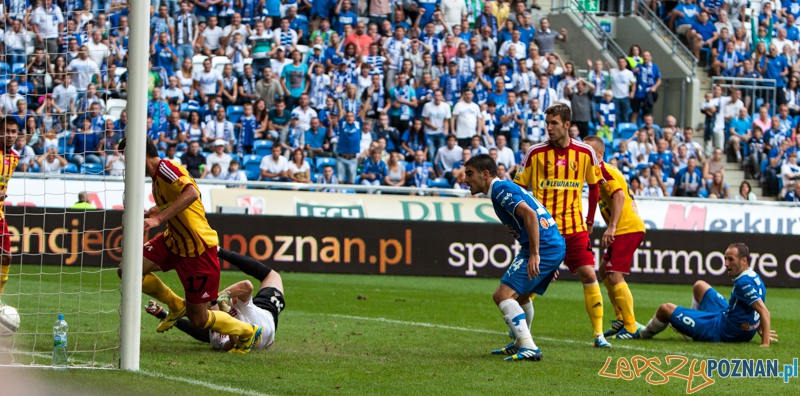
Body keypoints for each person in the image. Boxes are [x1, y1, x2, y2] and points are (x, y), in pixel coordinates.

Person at [117, 137, 262, 354]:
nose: (127, 162)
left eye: (128, 156)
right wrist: (160, 208)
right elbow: (183, 198)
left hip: (197, 250)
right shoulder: (157, 177)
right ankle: (176, 305)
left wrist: (158, 219)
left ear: (140, 155)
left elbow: (192, 193)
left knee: (198, 319)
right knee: (127, 269)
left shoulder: (165, 168)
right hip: (173, 242)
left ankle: (247, 331)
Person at [514, 103, 610, 348]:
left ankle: (598, 334)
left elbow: (595, 186)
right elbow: (518, 190)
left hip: (574, 228)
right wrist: (521, 224)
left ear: (567, 125)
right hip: (544, 230)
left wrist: (590, 221)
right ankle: (521, 335)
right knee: (527, 284)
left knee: (589, 273)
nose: (549, 128)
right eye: (547, 123)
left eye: (554, 123)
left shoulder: (585, 152)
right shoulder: (534, 152)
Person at [463, 154, 565, 361]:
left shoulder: (500, 189)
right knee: (522, 296)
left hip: (544, 246)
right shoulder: (504, 189)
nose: (465, 179)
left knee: (502, 295)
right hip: (550, 244)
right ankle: (520, 342)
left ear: (485, 174)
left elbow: (530, 214)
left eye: (470, 174)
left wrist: (536, 254)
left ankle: (529, 346)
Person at [144, 248, 285, 352]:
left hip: (252, 310)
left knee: (201, 321)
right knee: (272, 276)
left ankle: (217, 250)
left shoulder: (213, 328)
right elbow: (235, 345)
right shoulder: (219, 332)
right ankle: (218, 250)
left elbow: (199, 331)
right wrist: (222, 309)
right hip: (267, 319)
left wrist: (163, 314)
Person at [641, 243, 775, 346]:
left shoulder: (743, 283)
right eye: (725, 259)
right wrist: (758, 328)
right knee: (699, 286)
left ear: (744, 260)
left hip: (724, 332)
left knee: (665, 309)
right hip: (734, 322)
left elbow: (764, 311)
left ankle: (641, 334)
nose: (726, 263)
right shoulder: (754, 276)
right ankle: (690, 328)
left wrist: (765, 343)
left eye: (731, 259)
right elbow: (755, 305)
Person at [584, 136, 646, 340]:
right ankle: (621, 318)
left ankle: (631, 326)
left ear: (599, 154)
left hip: (626, 227)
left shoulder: (602, 170)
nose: (584, 153)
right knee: (604, 270)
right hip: (627, 226)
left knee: (614, 275)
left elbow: (619, 196)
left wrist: (611, 227)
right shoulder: (601, 171)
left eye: (588, 150)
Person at [0, 118, 19, 301]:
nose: (10, 135)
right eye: (7, 131)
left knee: (7, 257)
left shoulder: (14, 158)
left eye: (14, 131)